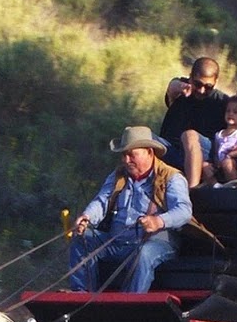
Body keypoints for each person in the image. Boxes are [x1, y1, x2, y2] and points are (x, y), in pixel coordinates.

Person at [69, 126, 193, 293]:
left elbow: (184, 211)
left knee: (144, 253)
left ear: (149, 152)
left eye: (132, 155)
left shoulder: (172, 177)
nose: (126, 160)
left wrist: (158, 221)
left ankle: (131, 302)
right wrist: (87, 217)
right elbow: (102, 201)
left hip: (156, 242)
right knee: (82, 238)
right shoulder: (118, 176)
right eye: (123, 155)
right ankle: (81, 294)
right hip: (117, 241)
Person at [159, 57, 229, 188]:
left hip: (204, 151)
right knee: (138, 136)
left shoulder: (222, 102)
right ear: (190, 77)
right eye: (198, 84)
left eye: (208, 87)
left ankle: (192, 190)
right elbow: (172, 87)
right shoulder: (182, 91)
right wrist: (181, 86)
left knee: (189, 135)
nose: (202, 90)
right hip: (173, 149)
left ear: (216, 81)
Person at [209, 95, 237, 185]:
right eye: (228, 111)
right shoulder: (219, 134)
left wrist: (231, 154)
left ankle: (234, 187)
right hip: (222, 164)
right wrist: (216, 163)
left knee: (227, 163)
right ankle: (217, 187)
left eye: (235, 112)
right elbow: (216, 152)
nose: (231, 114)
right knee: (206, 166)